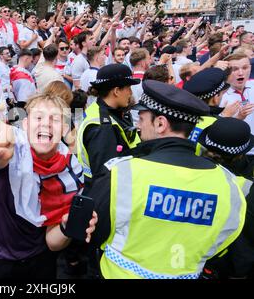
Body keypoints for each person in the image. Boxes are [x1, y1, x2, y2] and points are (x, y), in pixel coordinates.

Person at [89, 80, 247, 279]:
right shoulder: (229, 185)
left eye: (142, 118)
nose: (138, 125)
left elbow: (93, 231)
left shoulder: (122, 172)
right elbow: (223, 244)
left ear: (160, 123)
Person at [0, 93, 97, 279]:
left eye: (54, 119)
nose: (45, 123)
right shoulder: (12, 150)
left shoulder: (70, 171)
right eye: (38, 117)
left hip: (39, 261)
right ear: (25, 124)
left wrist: (68, 225)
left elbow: (53, 242)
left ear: (63, 128)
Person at [197, 118, 254, 278]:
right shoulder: (248, 186)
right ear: (240, 154)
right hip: (234, 266)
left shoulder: (191, 173)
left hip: (194, 260)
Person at [77, 64, 141, 187]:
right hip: (110, 197)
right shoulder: (103, 126)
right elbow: (106, 177)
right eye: (128, 88)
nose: (131, 92)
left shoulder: (100, 110)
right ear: (116, 91)